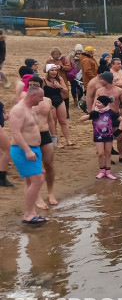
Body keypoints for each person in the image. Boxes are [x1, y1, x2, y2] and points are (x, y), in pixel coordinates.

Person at [11, 86, 47, 224]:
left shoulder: (30, 108)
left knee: (30, 181)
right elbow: (16, 132)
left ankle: (31, 213)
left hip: (34, 150)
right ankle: (28, 214)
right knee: (38, 180)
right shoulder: (18, 109)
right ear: (32, 96)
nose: (42, 99)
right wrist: (27, 150)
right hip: (23, 150)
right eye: (40, 97)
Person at [87, 72, 122, 164]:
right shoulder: (100, 91)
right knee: (106, 139)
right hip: (102, 117)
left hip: (114, 115)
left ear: (107, 80)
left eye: (102, 79)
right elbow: (95, 103)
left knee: (119, 137)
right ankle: (108, 158)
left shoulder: (118, 90)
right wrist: (93, 113)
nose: (100, 81)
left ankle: (121, 156)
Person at [30, 77, 58, 209]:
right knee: (35, 167)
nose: (32, 86)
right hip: (31, 136)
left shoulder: (47, 101)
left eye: (35, 84)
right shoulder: (25, 101)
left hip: (45, 134)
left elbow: (51, 120)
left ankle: (50, 192)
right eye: (30, 85)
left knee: (49, 164)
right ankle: (37, 196)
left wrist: (54, 137)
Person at [80, 95, 120, 180]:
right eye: (96, 102)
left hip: (108, 135)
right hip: (98, 136)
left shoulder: (110, 112)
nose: (97, 104)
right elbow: (81, 119)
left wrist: (119, 130)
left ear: (104, 104)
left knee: (108, 153)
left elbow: (121, 120)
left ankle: (108, 172)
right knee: (101, 153)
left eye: (99, 102)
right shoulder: (95, 112)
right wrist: (89, 116)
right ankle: (102, 171)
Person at [42, 64, 73, 147]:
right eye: (52, 70)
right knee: (53, 122)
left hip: (59, 100)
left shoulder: (60, 79)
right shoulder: (44, 81)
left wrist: (59, 86)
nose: (54, 72)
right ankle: (57, 142)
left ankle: (68, 140)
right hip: (49, 102)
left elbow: (66, 91)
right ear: (48, 71)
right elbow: (41, 93)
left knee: (63, 121)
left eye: (55, 70)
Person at [45, 48, 73, 115]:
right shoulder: (49, 60)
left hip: (62, 77)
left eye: (57, 54)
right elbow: (44, 69)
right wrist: (50, 68)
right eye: (54, 54)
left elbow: (69, 67)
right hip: (50, 78)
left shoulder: (64, 59)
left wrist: (61, 67)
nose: (55, 55)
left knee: (65, 94)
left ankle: (67, 111)